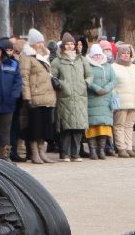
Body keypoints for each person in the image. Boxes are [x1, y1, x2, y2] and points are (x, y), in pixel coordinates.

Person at [18, 29, 57, 165]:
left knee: (45, 128)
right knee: (35, 127)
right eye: (39, 42)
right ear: (33, 43)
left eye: (42, 42)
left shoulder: (44, 57)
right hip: (35, 97)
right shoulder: (27, 57)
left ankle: (42, 152)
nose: (41, 45)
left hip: (47, 97)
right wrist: (27, 97)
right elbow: (24, 78)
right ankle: (34, 153)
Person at [52, 33, 91, 162]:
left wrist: (85, 83)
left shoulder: (82, 60)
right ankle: (65, 153)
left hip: (80, 96)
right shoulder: (57, 61)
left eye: (72, 44)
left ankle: (76, 153)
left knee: (78, 127)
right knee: (66, 127)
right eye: (67, 44)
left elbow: (89, 75)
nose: (70, 46)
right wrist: (61, 84)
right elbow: (52, 76)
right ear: (63, 46)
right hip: (65, 97)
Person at [110, 42, 135, 157]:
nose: (126, 55)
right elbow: (111, 86)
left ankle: (129, 147)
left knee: (129, 126)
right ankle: (121, 148)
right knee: (119, 125)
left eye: (128, 53)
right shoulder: (113, 67)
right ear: (118, 55)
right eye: (123, 53)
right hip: (121, 102)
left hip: (134, 103)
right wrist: (114, 101)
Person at [84, 44, 116, 160]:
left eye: (99, 54)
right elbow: (86, 79)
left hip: (105, 100)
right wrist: (97, 89)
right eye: (95, 55)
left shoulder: (108, 66)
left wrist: (106, 89)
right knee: (92, 126)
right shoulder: (87, 65)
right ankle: (92, 150)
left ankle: (101, 150)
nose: (97, 56)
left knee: (104, 126)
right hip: (93, 98)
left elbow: (114, 80)